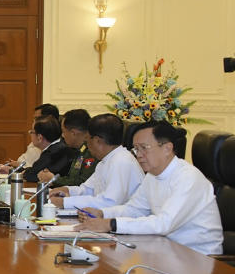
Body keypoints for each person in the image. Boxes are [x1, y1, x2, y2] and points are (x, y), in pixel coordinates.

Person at [76, 121, 223, 255]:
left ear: (167, 148)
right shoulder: (152, 176)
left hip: (198, 257)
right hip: (166, 250)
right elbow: (134, 209)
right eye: (136, 149)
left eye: (144, 148)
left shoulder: (188, 178)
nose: (139, 155)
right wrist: (102, 213)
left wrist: (110, 224)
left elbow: (164, 224)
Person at [48, 114, 144, 210]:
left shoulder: (121, 161)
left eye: (88, 139)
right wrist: (67, 190)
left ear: (98, 140)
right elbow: (88, 189)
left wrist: (65, 202)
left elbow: (109, 202)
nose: (86, 143)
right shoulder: (106, 160)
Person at [37, 109, 97, 188]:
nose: (63, 135)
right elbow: (72, 178)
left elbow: (82, 183)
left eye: (63, 131)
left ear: (73, 133)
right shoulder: (80, 150)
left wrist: (53, 179)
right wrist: (52, 179)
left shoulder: (91, 151)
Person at [1, 103, 59, 173]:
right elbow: (33, 170)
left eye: (37, 118)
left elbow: (33, 174)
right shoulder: (44, 146)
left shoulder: (52, 150)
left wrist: (12, 170)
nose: (34, 121)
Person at [21, 115, 77, 183]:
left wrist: (25, 173)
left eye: (31, 132)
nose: (30, 134)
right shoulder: (56, 147)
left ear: (40, 137)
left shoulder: (55, 152)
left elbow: (32, 175)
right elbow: (35, 170)